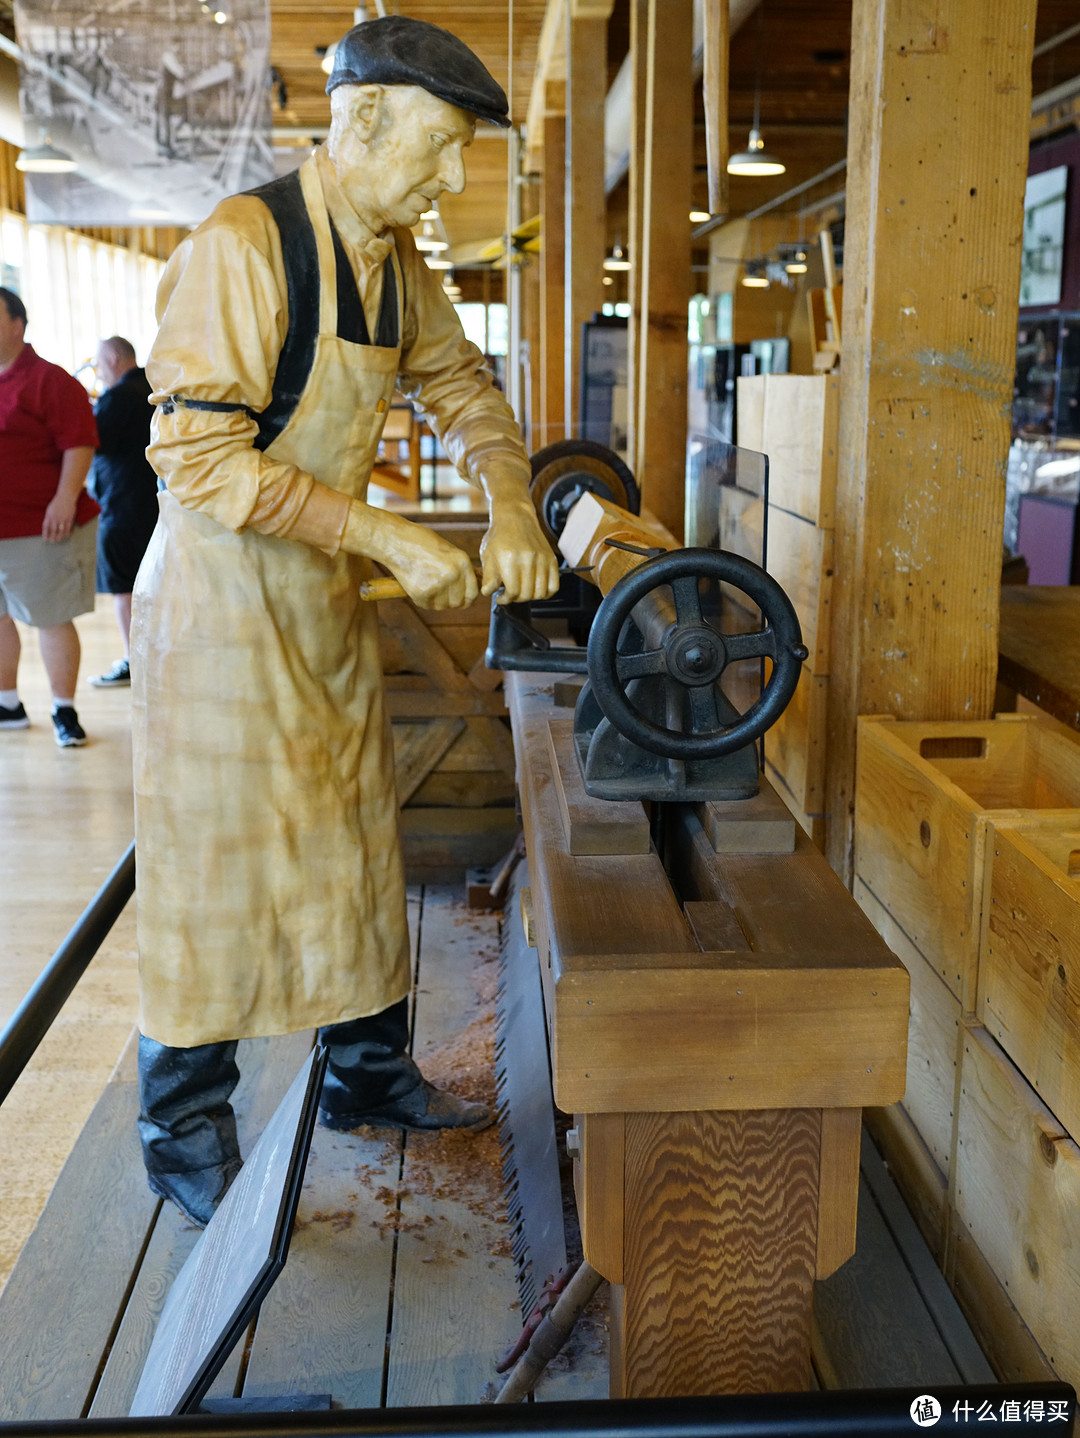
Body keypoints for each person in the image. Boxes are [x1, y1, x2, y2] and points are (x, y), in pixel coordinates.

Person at [132, 15, 561, 1227]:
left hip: (311, 604)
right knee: (217, 872)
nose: (450, 177)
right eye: (437, 145)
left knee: (355, 843)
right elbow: (198, 458)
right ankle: (182, 1130)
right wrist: (385, 535)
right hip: (217, 611)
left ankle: (366, 1075)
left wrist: (511, 502)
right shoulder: (245, 245)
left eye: (463, 154)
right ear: (363, 118)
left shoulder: (392, 261)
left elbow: (463, 386)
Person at [0, 287, 99, 748]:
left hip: (40, 526)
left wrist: (64, 499)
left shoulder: (50, 380)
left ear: (17, 325)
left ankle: (65, 711)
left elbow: (78, 443)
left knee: (52, 618)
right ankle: (8, 704)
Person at [87, 336, 158, 687]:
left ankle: (136, 662)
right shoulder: (155, 387)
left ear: (114, 358)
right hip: (157, 504)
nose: (98, 373)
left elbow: (92, 443)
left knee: (124, 589)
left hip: (123, 506)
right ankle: (159, 657)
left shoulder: (117, 398)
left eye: (99, 364)